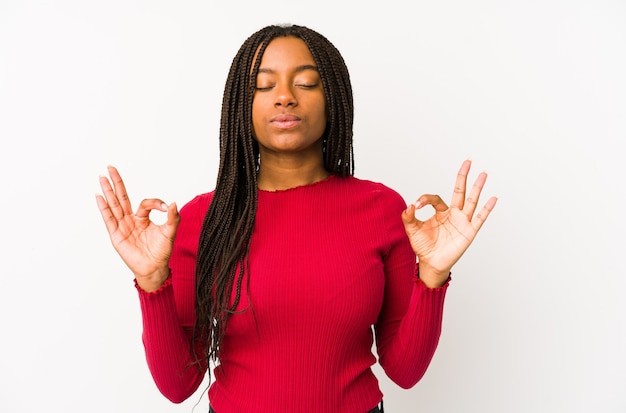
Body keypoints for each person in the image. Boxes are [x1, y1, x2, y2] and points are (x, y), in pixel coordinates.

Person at [96, 24, 497, 413]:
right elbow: (177, 386)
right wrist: (152, 281)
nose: (285, 97)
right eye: (264, 85)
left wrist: (433, 274)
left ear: (333, 98)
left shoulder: (383, 209)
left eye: (306, 83)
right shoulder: (204, 219)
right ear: (241, 104)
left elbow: (405, 371)